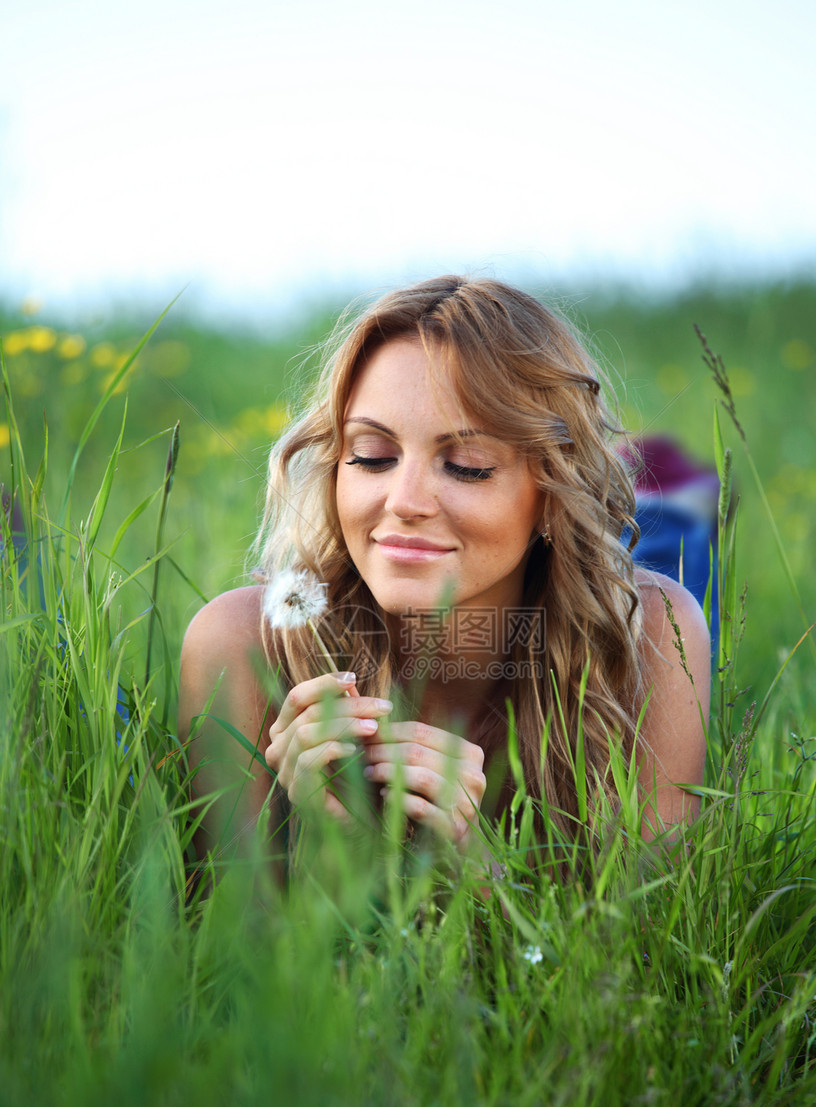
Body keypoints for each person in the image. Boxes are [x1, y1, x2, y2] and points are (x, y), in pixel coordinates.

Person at [178, 276, 711, 868]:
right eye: (371, 457)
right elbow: (220, 940)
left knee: (672, 537)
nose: (404, 500)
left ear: (555, 494)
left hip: (592, 573)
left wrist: (471, 868)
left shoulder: (654, 636)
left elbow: (649, 948)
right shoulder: (241, 645)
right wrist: (341, 858)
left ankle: (667, 488)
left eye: (467, 465)